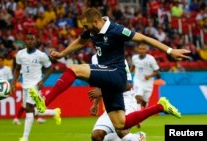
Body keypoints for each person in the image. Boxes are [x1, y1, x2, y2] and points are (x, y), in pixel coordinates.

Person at [30, 8, 189, 139]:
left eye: (86, 26)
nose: (84, 30)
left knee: (75, 69)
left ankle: (45, 100)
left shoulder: (116, 30)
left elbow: (143, 38)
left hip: (117, 74)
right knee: (121, 124)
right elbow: (80, 41)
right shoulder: (91, 30)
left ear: (95, 22)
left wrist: (170, 50)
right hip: (109, 79)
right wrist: (63, 53)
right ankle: (161, 106)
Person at [10, 32, 61, 141]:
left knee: (28, 108)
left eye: (32, 39)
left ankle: (25, 137)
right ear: (25, 41)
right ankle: (54, 112)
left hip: (35, 85)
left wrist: (42, 80)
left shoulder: (41, 55)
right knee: (34, 109)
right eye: (28, 39)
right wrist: (13, 82)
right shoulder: (20, 54)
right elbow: (17, 69)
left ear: (35, 41)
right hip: (25, 85)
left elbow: (50, 68)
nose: (30, 41)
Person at [89, 54, 146, 141]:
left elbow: (128, 85)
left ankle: (138, 137)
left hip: (126, 101)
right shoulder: (94, 58)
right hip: (111, 105)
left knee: (121, 131)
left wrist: (103, 92)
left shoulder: (119, 57)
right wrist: (95, 104)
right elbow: (100, 84)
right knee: (97, 136)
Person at [131, 43, 160, 109]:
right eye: (140, 49)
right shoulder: (134, 58)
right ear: (137, 49)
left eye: (143, 49)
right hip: (138, 80)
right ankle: (137, 114)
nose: (141, 50)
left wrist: (149, 76)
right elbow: (132, 68)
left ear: (146, 50)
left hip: (148, 82)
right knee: (138, 97)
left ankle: (143, 109)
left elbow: (157, 71)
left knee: (145, 101)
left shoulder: (151, 59)